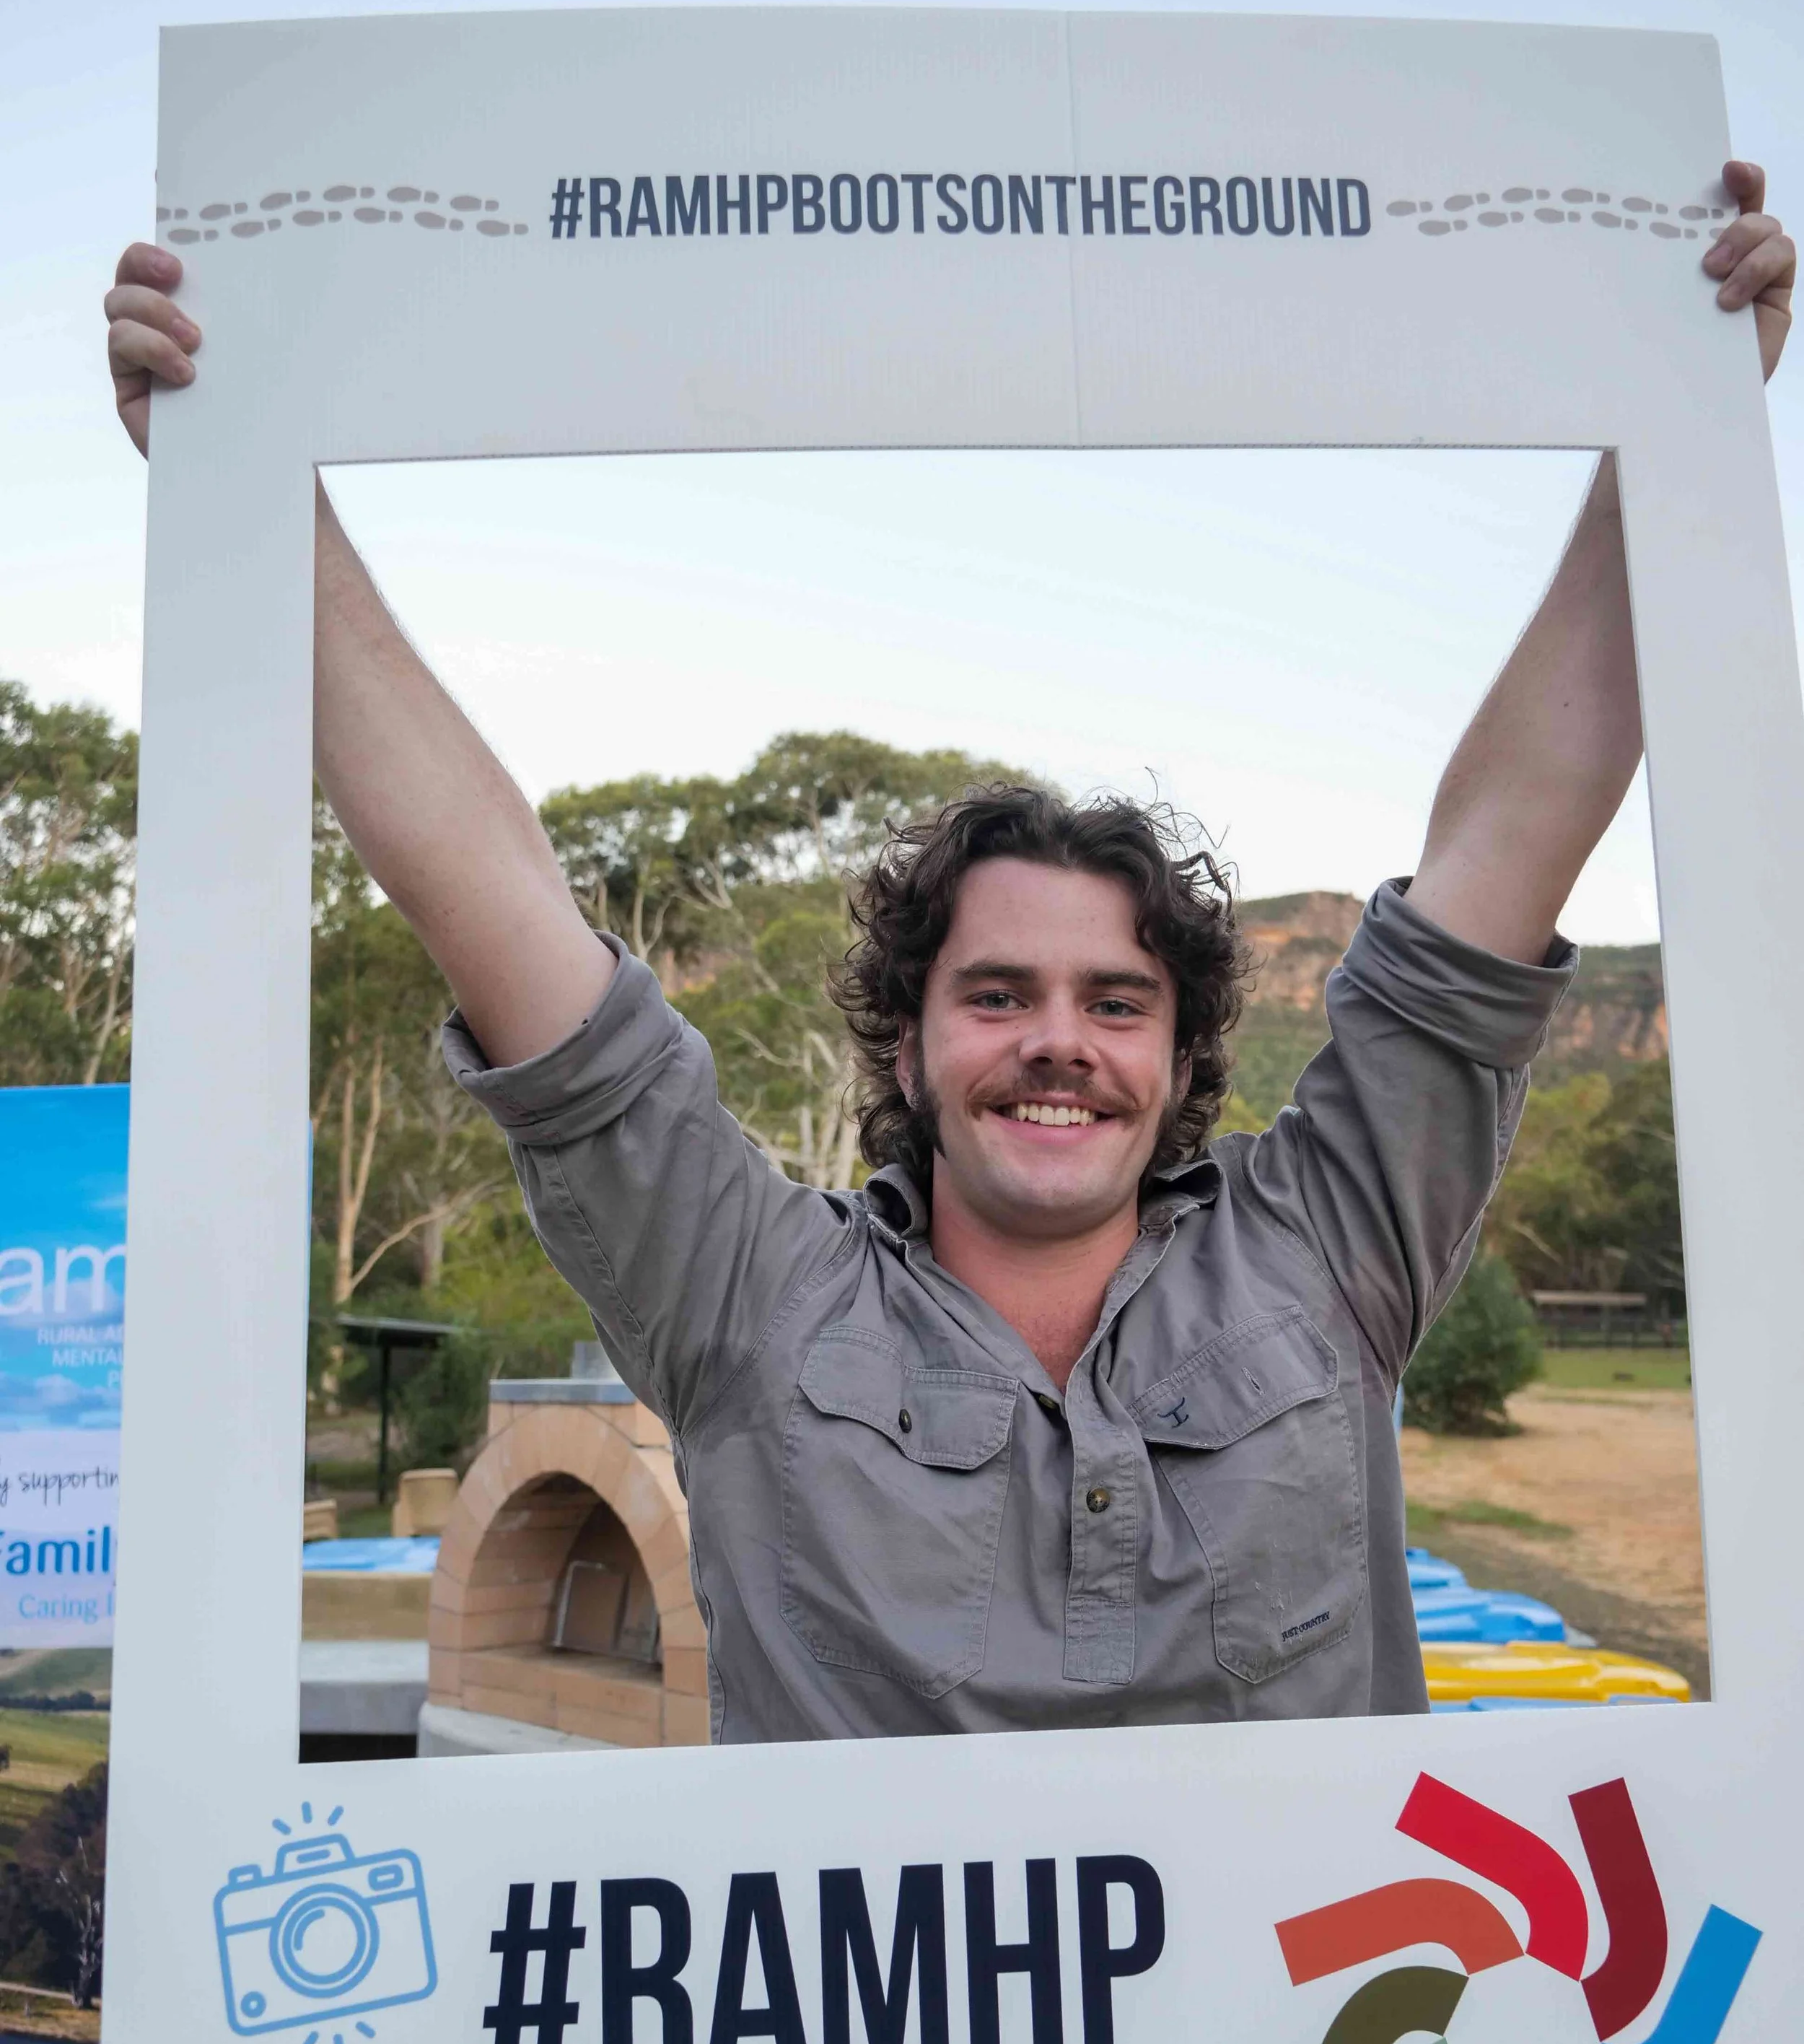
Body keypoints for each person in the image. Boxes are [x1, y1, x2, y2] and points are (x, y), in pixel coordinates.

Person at [104, 167, 1792, 1742]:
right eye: (996, 994)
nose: (1056, 1039)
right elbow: (490, 889)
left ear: (1178, 1056)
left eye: (1112, 1002)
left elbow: (1507, 834)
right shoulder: (746, 1300)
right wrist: (240, 472)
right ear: (907, 1049)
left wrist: (1679, 415)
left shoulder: (1330, 1247)